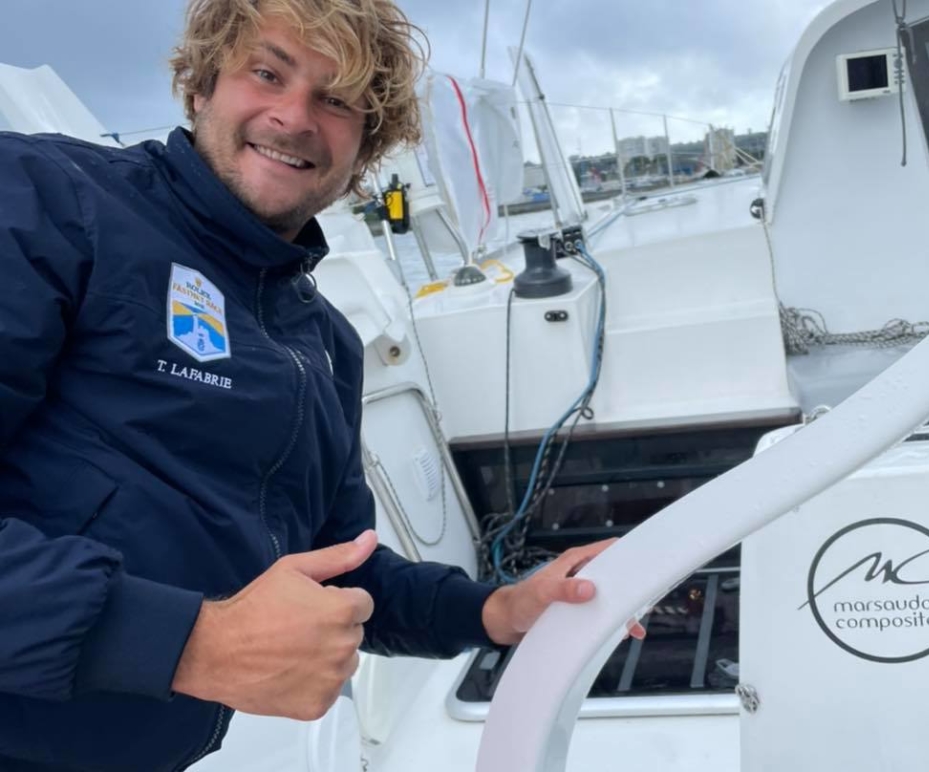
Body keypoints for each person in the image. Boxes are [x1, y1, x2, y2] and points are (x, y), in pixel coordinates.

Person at [0, 1, 640, 770]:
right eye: (267, 72)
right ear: (201, 85)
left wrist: (499, 609)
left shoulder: (325, 341)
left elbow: (347, 570)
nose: (295, 116)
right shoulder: (47, 199)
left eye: (339, 101)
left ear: (363, 150)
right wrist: (188, 643)